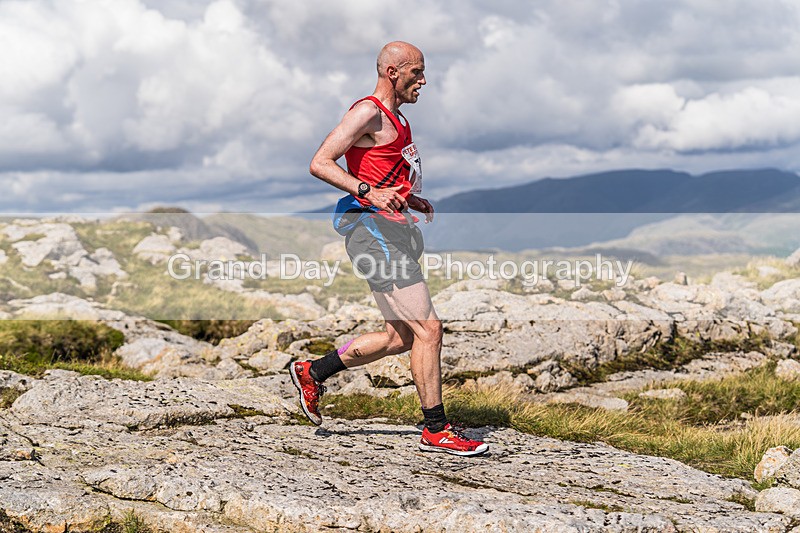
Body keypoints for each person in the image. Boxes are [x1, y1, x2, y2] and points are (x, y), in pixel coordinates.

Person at [290, 41, 488, 456]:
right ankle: (436, 428)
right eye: (417, 72)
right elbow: (320, 162)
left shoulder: (399, 119)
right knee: (428, 329)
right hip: (372, 230)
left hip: (392, 228)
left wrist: (405, 196)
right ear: (393, 72)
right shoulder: (368, 112)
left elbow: (381, 170)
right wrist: (370, 192)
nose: (424, 80)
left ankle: (313, 371)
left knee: (400, 336)